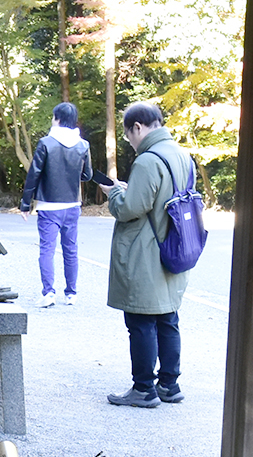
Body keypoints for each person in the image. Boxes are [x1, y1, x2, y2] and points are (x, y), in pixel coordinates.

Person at [105, 101, 195, 408]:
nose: (130, 142)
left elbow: (130, 209)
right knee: (168, 318)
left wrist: (115, 193)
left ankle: (143, 388)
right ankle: (169, 384)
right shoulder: (182, 155)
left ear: (138, 128)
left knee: (141, 320)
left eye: (129, 135)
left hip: (146, 253)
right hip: (175, 247)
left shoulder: (147, 161)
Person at [19, 101, 108, 307]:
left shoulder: (46, 143)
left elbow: (34, 175)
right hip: (72, 205)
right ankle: (71, 294)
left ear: (57, 119)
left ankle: (49, 293)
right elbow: (87, 175)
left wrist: (25, 204)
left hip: (48, 206)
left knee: (47, 249)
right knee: (70, 249)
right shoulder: (83, 145)